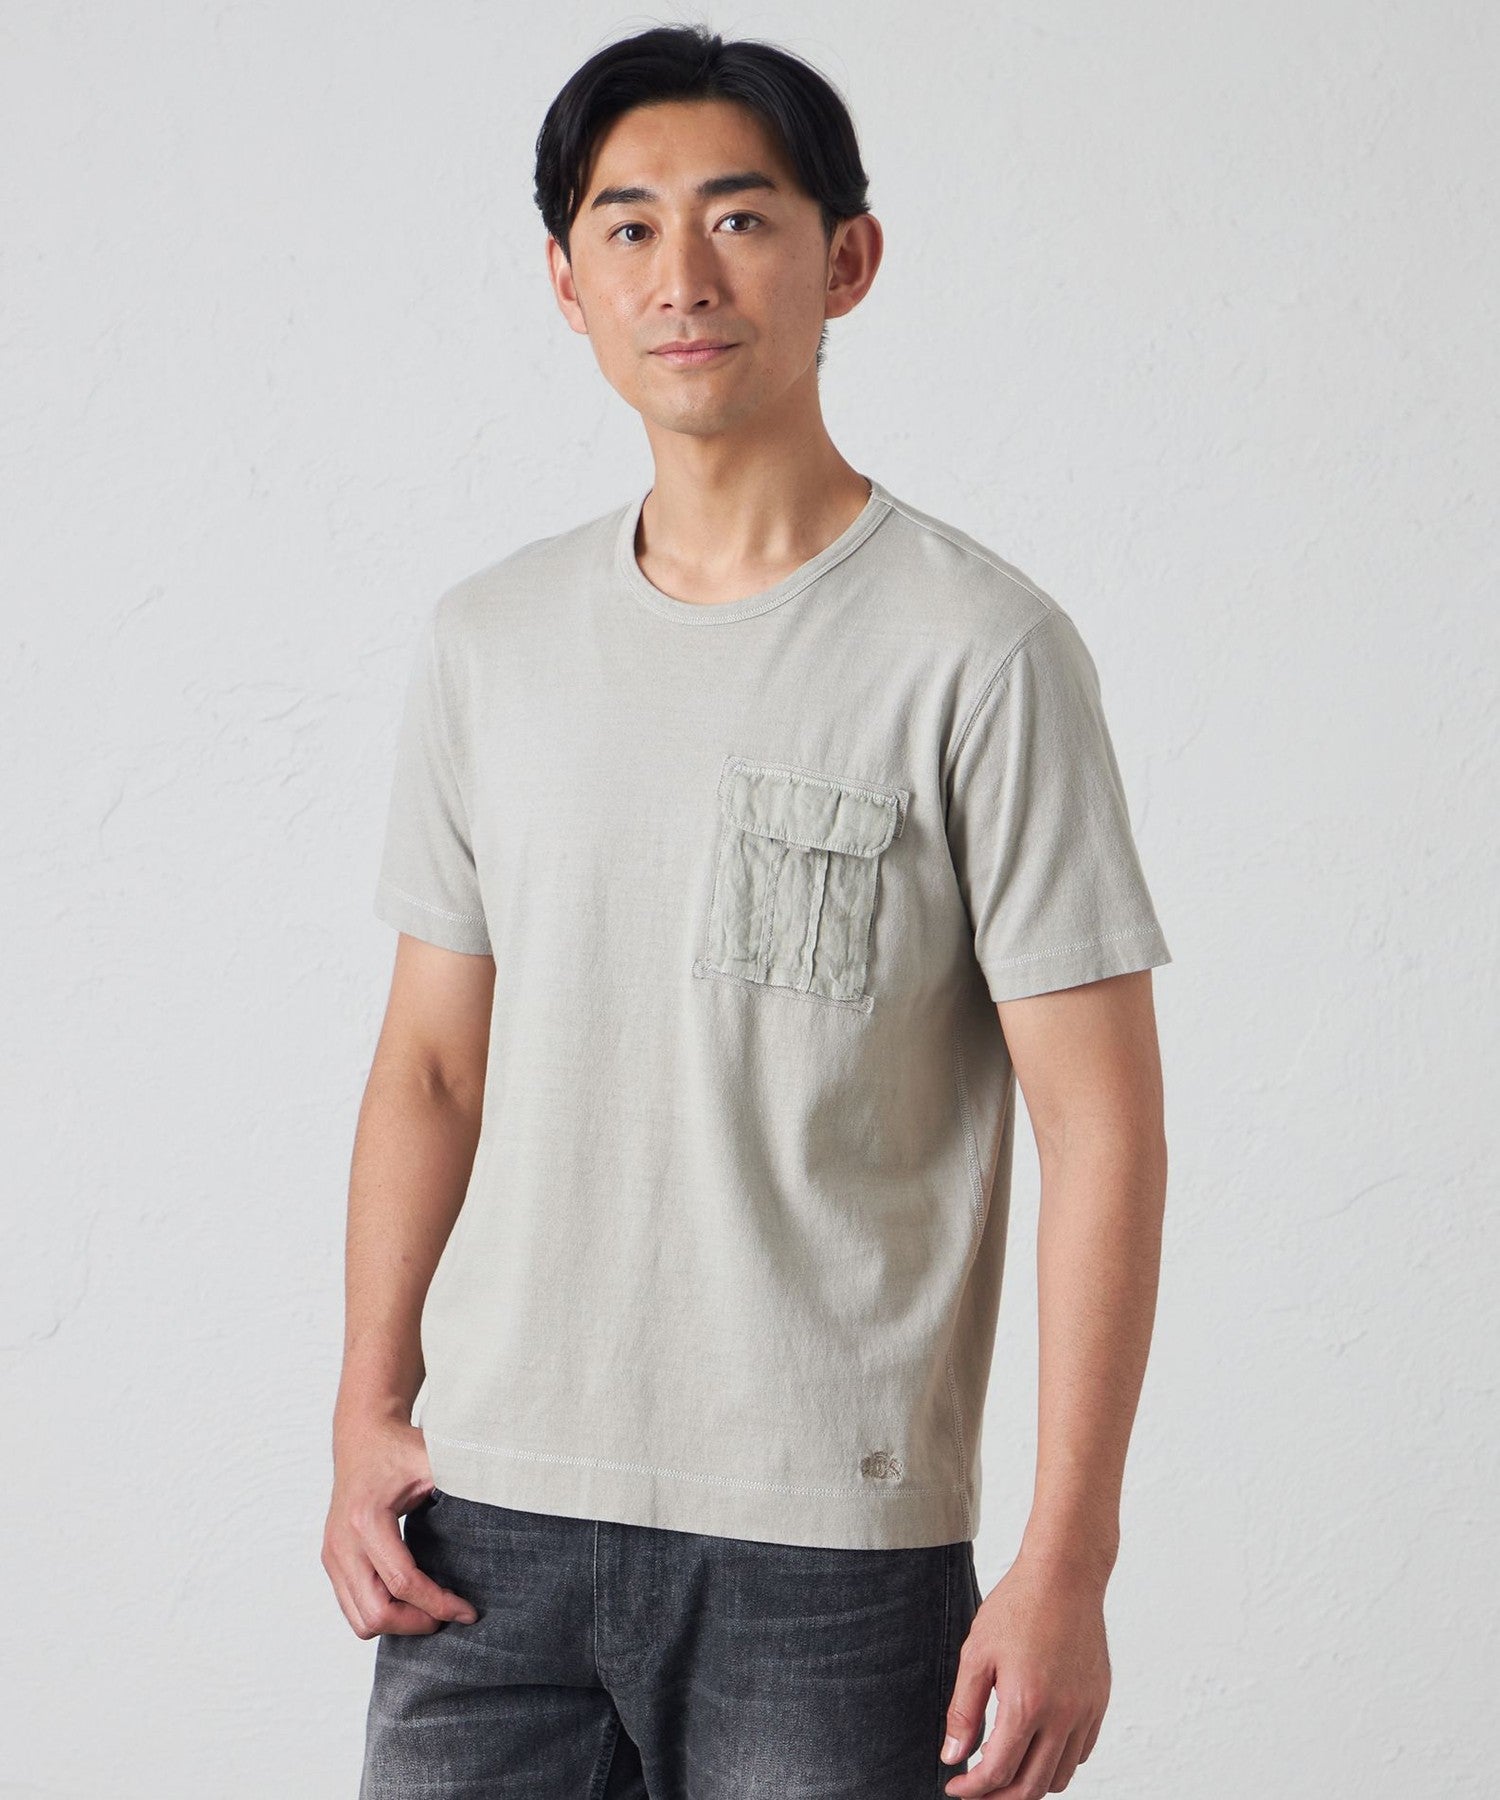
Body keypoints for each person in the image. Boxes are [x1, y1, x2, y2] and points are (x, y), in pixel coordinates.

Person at [324, 22, 1172, 1800]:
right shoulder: (491, 645)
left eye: (739, 217)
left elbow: (1100, 1124)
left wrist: (1068, 1559)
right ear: (565, 281)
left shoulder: (980, 653)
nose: (682, 276)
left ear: (846, 257)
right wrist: (364, 1404)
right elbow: (431, 1070)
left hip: (830, 1556)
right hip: (484, 1532)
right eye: (627, 226)